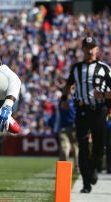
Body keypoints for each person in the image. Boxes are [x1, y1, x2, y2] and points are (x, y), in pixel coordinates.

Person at [60, 36, 111, 193]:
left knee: (98, 146)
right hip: (81, 110)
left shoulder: (104, 68)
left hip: (99, 110)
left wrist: (103, 94)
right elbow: (68, 85)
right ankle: (86, 182)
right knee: (82, 146)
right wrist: (64, 98)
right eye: (87, 47)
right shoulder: (76, 68)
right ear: (82, 49)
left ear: (96, 49)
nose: (90, 50)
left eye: (92, 47)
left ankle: (94, 167)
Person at [50, 94, 78, 172]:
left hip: (74, 128)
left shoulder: (74, 101)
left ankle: (77, 167)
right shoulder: (61, 103)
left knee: (76, 149)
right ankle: (64, 168)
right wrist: (56, 129)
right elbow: (58, 117)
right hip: (63, 128)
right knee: (64, 148)